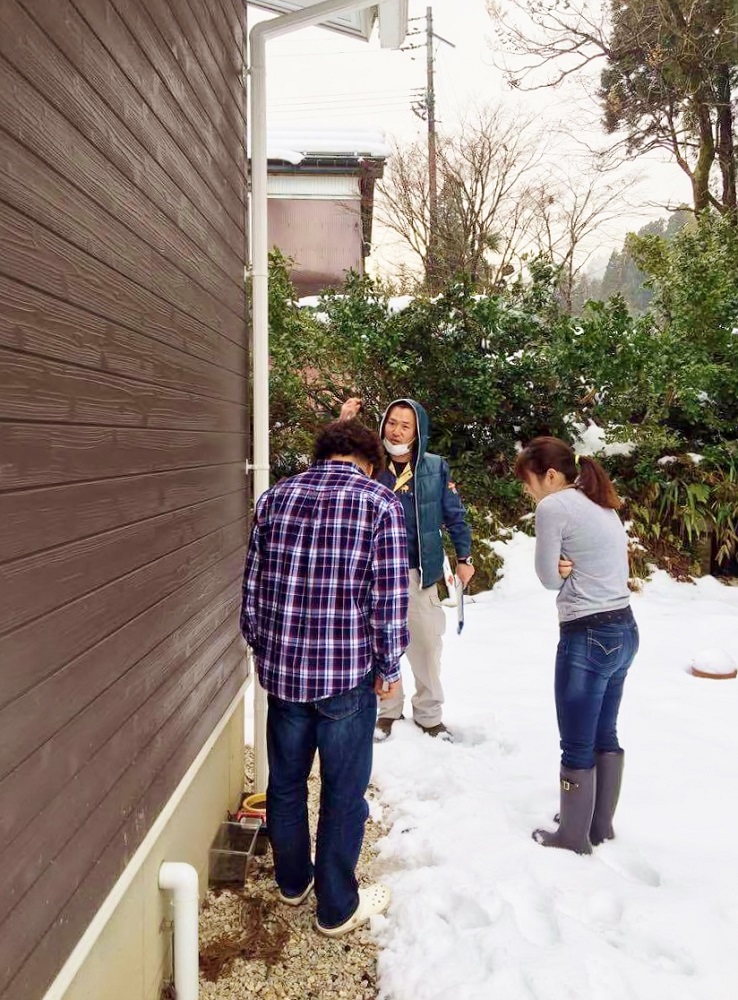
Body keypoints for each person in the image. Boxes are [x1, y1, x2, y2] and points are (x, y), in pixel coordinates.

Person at [240, 420, 409, 935]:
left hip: (283, 674)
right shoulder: (380, 504)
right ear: (369, 461)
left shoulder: (273, 499)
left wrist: (264, 648)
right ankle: (336, 908)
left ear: (323, 455)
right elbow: (389, 601)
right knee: (342, 793)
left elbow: (252, 589)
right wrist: (388, 665)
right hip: (344, 677)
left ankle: (293, 884)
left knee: (285, 785)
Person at [514, 436, 639, 855]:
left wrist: (562, 570)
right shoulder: (599, 502)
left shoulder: (554, 506)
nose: (528, 492)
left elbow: (548, 577)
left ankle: (571, 837)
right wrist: (567, 567)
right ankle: (597, 825)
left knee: (576, 741)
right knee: (605, 730)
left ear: (550, 475)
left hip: (587, 635)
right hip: (624, 629)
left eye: (529, 482)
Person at [341, 397, 474, 741]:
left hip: (420, 571)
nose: (396, 430)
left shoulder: (434, 467)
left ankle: (429, 715)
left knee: (428, 645)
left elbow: (454, 514)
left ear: (418, 432)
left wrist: (464, 557)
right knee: (378, 643)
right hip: (376, 572)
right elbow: (338, 460)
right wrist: (344, 422)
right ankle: (387, 710)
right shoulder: (371, 464)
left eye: (405, 425)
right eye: (391, 422)